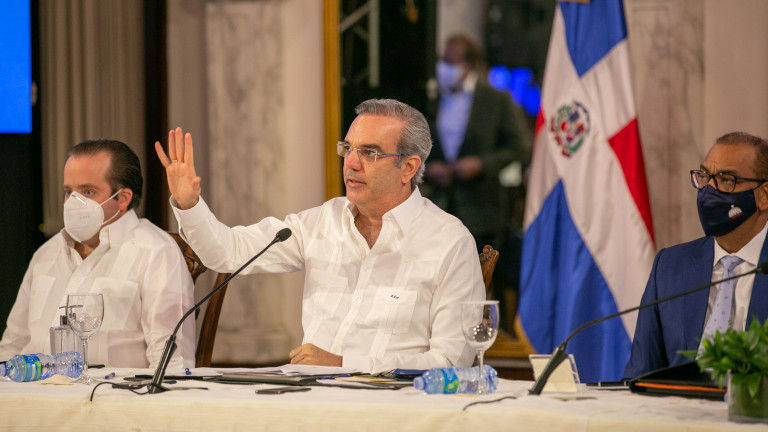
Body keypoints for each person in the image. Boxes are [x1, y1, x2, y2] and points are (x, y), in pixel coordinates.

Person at [155, 99, 485, 374]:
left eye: (369, 153)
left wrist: (343, 364)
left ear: (409, 167)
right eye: (348, 149)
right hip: (309, 401)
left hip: (394, 411)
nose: (351, 163)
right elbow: (227, 253)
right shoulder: (323, 222)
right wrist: (189, 205)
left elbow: (451, 362)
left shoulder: (449, 243)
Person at [0, 140, 196, 369]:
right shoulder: (46, 254)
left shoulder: (156, 252)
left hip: (110, 391)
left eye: (88, 192)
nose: (73, 203)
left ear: (122, 198)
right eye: (68, 192)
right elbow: (12, 346)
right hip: (30, 388)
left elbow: (172, 365)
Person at [624, 132, 768, 378]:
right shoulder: (669, 267)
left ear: (763, 196)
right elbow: (639, 376)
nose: (709, 191)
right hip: (680, 402)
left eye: (726, 180)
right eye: (704, 177)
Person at [423, 33, 526, 252]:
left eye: (452, 62)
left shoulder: (495, 100)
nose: (445, 68)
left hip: (481, 210)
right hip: (435, 207)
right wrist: (427, 168)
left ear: (471, 65)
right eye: (443, 61)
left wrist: (481, 164)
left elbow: (518, 146)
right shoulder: (431, 97)